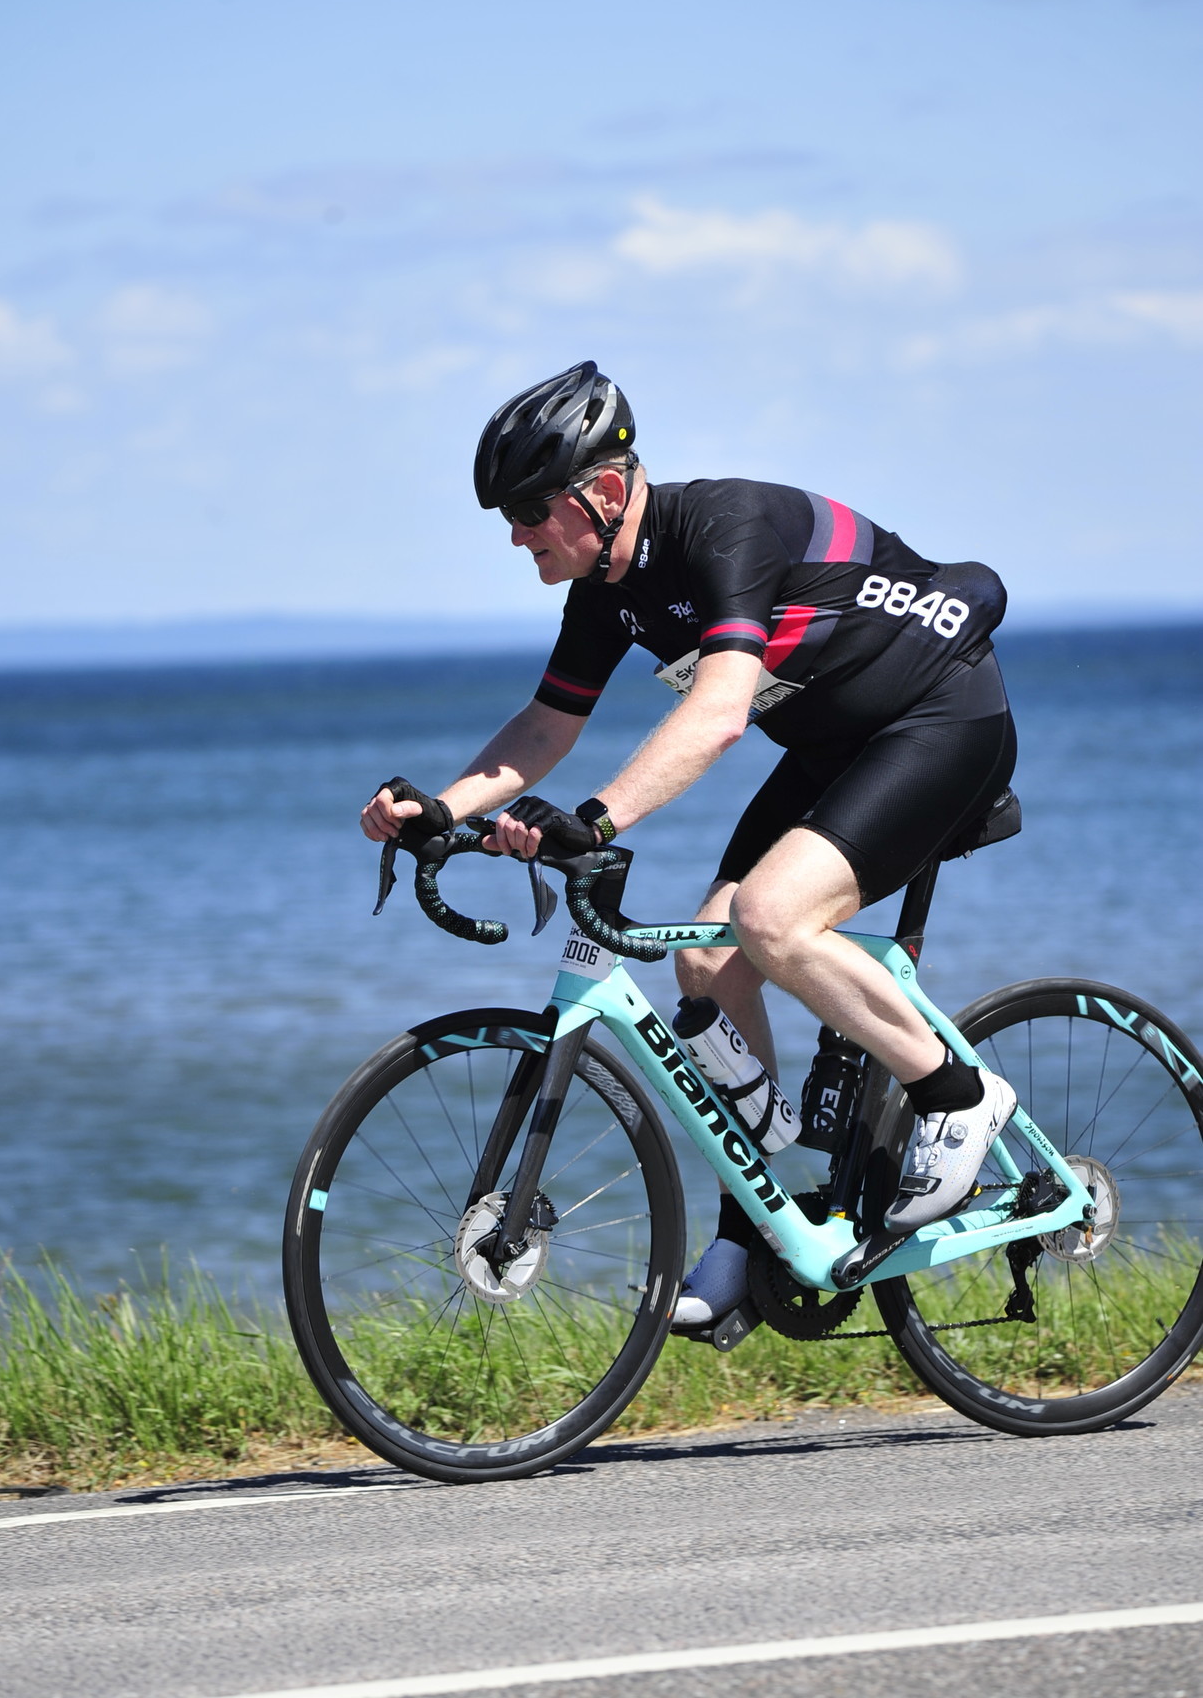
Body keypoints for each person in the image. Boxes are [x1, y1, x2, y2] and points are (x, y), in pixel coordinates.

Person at [361, 360, 1017, 1328]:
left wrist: (594, 820)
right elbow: (544, 726)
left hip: (940, 720)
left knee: (770, 918)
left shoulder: (723, 529)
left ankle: (956, 1094)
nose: (516, 534)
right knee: (708, 962)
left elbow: (718, 714)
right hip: (835, 747)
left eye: (531, 511)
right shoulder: (605, 588)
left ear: (605, 490)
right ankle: (757, 1235)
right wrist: (442, 812)